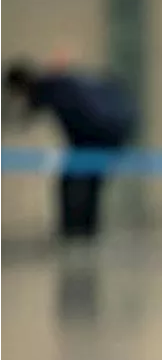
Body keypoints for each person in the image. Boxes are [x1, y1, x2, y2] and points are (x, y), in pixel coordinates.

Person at [2, 60, 137, 240]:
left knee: (72, 181)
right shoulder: (60, 84)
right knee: (92, 181)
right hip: (114, 129)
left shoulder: (47, 89)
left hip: (97, 134)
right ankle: (86, 229)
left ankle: (71, 230)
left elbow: (26, 116)